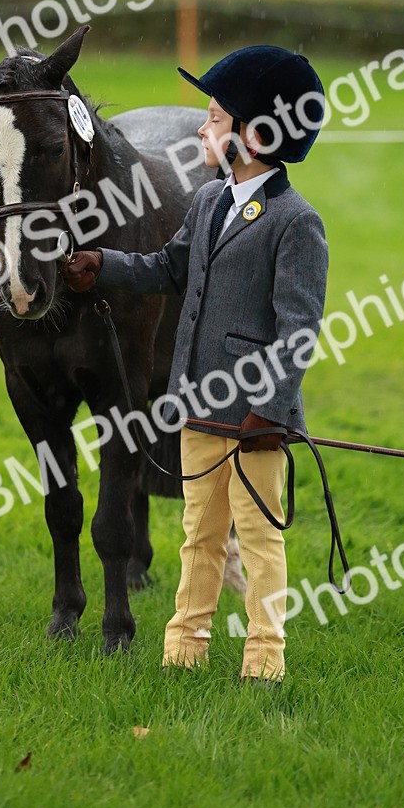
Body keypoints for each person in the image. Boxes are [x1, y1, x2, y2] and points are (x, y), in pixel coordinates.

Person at [61, 45, 328, 685]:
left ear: (255, 135)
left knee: (259, 543)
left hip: (255, 418)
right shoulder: (209, 201)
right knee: (198, 535)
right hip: (195, 406)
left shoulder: (297, 223)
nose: (200, 130)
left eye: (213, 118)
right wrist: (106, 264)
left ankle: (265, 660)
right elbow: (169, 268)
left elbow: (297, 334)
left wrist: (271, 409)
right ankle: (185, 648)